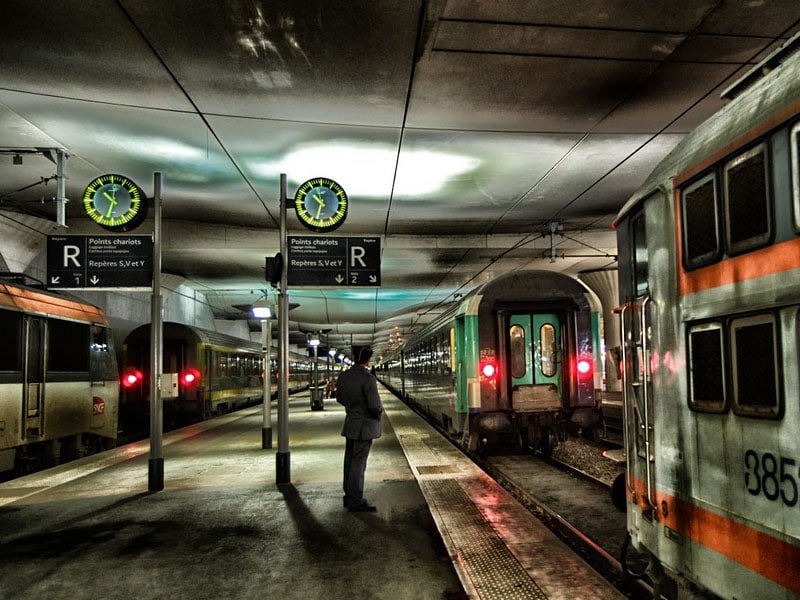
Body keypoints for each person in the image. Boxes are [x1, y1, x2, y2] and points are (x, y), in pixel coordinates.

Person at [336, 345, 383, 512]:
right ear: (368, 359)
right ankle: (355, 499)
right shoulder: (368, 378)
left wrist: (352, 408)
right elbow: (374, 404)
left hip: (351, 424)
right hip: (365, 426)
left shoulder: (344, 376)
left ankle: (349, 495)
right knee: (358, 463)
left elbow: (339, 398)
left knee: (349, 461)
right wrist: (378, 414)